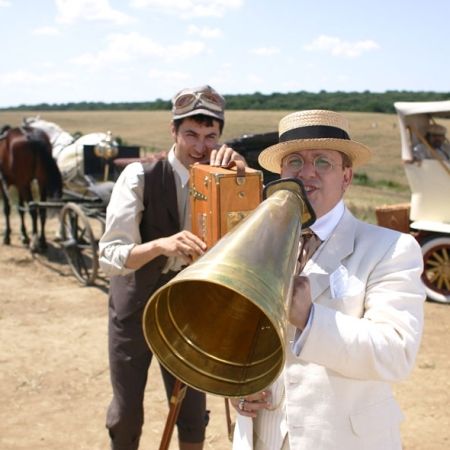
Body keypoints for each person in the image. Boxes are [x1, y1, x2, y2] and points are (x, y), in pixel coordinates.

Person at [230, 109, 425, 450]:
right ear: (280, 172)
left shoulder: (392, 248)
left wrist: (310, 319)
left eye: (322, 162)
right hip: (263, 437)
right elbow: (238, 337)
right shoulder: (256, 241)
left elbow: (396, 352)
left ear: (346, 176)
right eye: (294, 161)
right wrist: (237, 385)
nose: (307, 173)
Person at [98, 84, 246, 450]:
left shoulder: (222, 175)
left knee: (192, 413)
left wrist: (240, 182)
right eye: (191, 135)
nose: (200, 147)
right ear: (173, 131)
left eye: (211, 136)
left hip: (189, 310)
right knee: (127, 411)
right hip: (135, 306)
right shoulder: (140, 176)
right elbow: (111, 255)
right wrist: (161, 245)